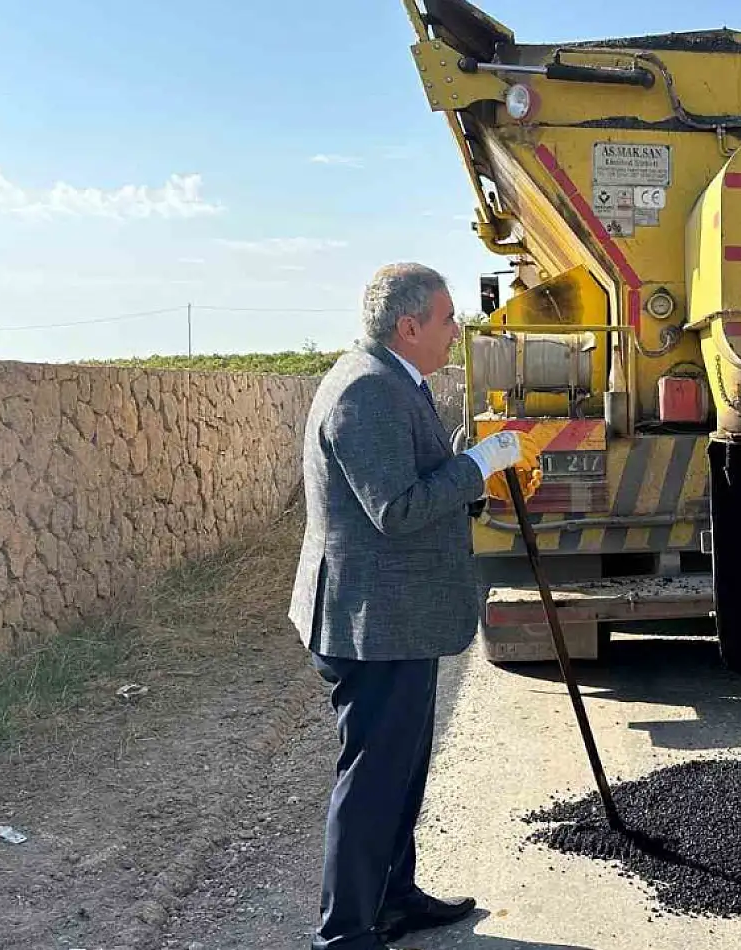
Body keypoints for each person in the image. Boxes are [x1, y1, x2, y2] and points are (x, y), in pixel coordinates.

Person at [289, 262, 536, 949]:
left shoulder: (398, 381)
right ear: (410, 325)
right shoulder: (367, 391)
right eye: (449, 317)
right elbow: (394, 509)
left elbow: (415, 478)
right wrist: (477, 466)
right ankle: (345, 935)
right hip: (371, 624)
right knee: (371, 781)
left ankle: (393, 899)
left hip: (397, 620)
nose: (458, 329)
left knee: (401, 771)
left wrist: (466, 468)